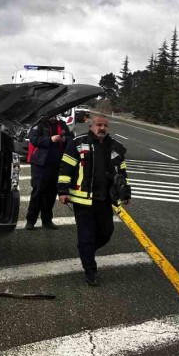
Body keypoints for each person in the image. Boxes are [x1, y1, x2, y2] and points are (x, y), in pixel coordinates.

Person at [58, 114, 132, 286]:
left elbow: (122, 172)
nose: (102, 128)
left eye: (105, 126)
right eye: (99, 125)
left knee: (107, 232)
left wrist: (126, 193)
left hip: (105, 199)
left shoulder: (115, 147)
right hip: (82, 200)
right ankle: (90, 270)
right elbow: (65, 168)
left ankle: (86, 250)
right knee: (86, 235)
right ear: (91, 126)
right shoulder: (77, 143)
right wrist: (62, 190)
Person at [24, 112, 73, 230]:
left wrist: (64, 138)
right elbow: (33, 139)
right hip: (40, 164)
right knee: (38, 192)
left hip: (57, 164)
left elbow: (72, 138)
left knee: (51, 194)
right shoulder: (39, 124)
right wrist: (50, 139)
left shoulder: (62, 124)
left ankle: (47, 220)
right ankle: (30, 221)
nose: (53, 116)